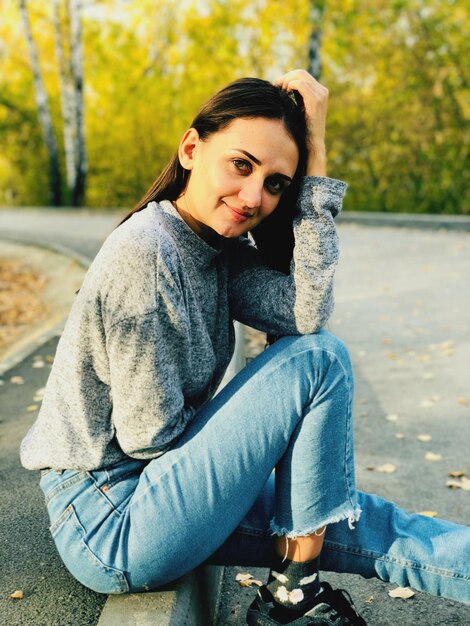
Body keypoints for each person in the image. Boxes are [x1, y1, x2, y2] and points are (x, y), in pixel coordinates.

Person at [20, 69, 469, 626]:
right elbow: (147, 438)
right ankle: (296, 589)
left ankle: (294, 587)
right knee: (320, 363)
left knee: (360, 519)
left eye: (277, 183)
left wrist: (318, 152)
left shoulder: (215, 252)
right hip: (112, 518)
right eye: (241, 165)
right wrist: (260, 437)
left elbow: (305, 313)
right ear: (191, 148)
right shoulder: (146, 254)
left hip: (154, 494)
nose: (255, 196)